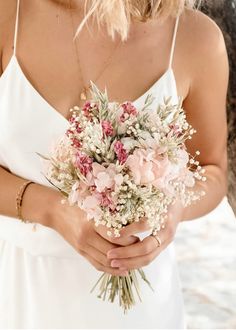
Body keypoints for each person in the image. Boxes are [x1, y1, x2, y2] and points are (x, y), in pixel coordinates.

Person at [0, 0, 233, 328]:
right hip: (20, 290)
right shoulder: (10, 14)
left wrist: (174, 205)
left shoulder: (196, 39)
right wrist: (53, 210)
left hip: (142, 307)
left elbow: (212, 171)